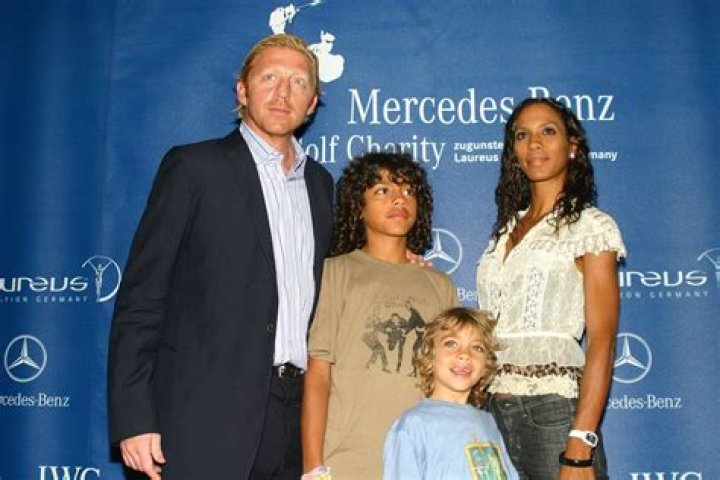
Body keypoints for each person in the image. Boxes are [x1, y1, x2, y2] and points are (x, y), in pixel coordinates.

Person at [107, 33, 334, 479]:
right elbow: (142, 298)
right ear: (242, 91)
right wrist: (134, 417)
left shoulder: (321, 186)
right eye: (269, 78)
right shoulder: (194, 168)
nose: (283, 93)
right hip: (204, 416)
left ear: (312, 103)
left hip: (295, 419)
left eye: (298, 82)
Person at [476, 97, 626, 479]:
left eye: (548, 131)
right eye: (522, 135)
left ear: (572, 146)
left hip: (554, 413)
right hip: (490, 416)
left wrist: (581, 440)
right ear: (513, 152)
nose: (535, 143)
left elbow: (603, 340)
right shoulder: (506, 231)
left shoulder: (591, 227)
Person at [301, 152, 457, 479]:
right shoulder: (335, 272)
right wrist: (313, 466)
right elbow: (318, 375)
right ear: (358, 207)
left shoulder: (439, 284)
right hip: (346, 460)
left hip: (421, 459)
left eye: (408, 190)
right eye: (383, 190)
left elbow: (451, 385)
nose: (399, 198)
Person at [383, 307, 518, 480]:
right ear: (430, 357)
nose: (464, 355)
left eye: (477, 347)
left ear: (485, 366)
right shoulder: (413, 424)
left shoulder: (488, 422)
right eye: (451, 343)